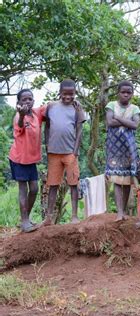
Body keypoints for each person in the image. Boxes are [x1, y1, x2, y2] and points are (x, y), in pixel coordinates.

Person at [43, 79, 86, 226]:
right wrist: (47, 145)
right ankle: (48, 217)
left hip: (70, 153)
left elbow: (80, 130)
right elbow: (47, 126)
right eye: (65, 94)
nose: (68, 97)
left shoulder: (77, 108)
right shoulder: (51, 106)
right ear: (60, 93)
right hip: (54, 152)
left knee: (73, 183)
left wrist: (75, 151)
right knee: (53, 184)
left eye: (71, 94)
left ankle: (74, 216)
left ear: (75, 93)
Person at [8, 89, 47, 232]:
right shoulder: (19, 116)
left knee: (35, 189)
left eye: (30, 99)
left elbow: (49, 106)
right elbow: (19, 124)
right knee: (23, 188)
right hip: (19, 158)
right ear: (18, 103)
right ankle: (25, 222)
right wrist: (21, 115)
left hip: (31, 160)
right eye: (24, 100)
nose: (27, 102)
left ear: (34, 101)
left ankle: (25, 218)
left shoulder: (36, 113)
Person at [105, 80, 140, 222]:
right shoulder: (111, 105)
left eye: (129, 92)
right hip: (114, 149)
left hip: (129, 149)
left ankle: (124, 211)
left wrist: (118, 117)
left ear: (132, 94)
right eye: (123, 92)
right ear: (118, 92)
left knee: (127, 180)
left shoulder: (135, 108)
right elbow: (109, 122)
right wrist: (127, 122)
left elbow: (135, 125)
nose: (126, 95)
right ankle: (119, 212)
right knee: (117, 180)